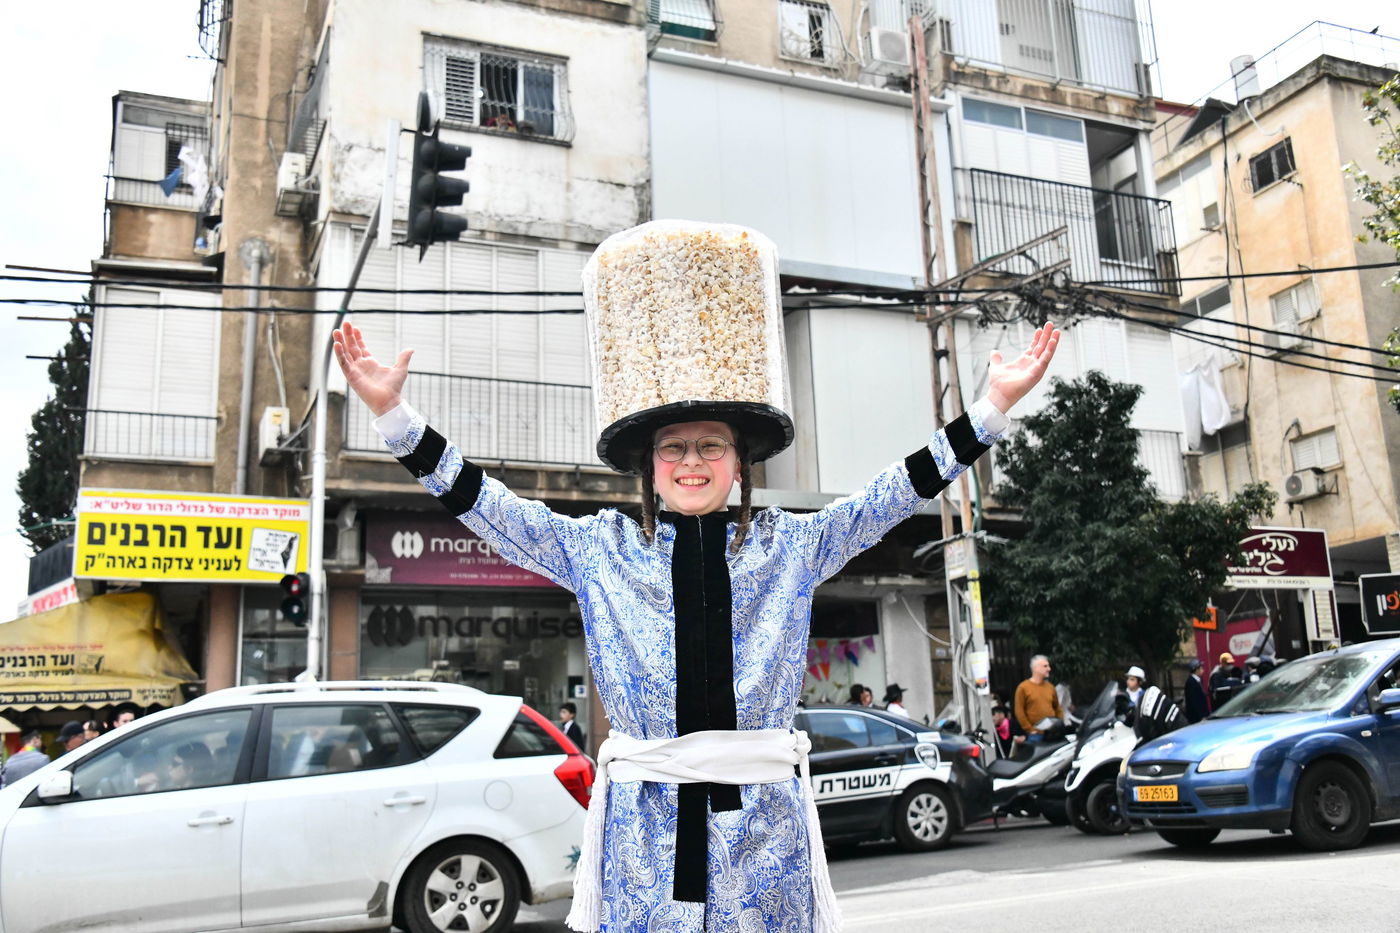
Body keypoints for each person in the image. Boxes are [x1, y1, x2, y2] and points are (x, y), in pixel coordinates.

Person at [334, 236, 1059, 933]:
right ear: (649, 467)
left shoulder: (793, 546)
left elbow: (890, 496)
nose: (691, 460)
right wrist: (398, 420)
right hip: (644, 833)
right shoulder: (599, 551)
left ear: (738, 463)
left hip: (765, 835)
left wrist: (988, 412)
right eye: (673, 447)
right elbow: (492, 509)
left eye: (711, 445)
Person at [1013, 655, 1064, 742]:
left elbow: (1057, 708)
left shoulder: (1050, 687)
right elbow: (1019, 711)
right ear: (1035, 668)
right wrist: (1030, 729)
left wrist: (1059, 724)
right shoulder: (1023, 687)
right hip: (1035, 735)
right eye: (1045, 666)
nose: (1049, 669)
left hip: (1053, 733)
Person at [1183, 659, 1209, 723]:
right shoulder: (1191, 682)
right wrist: (1201, 716)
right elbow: (1195, 701)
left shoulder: (1198, 681)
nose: (1203, 670)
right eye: (1201, 668)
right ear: (1196, 669)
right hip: (1196, 718)